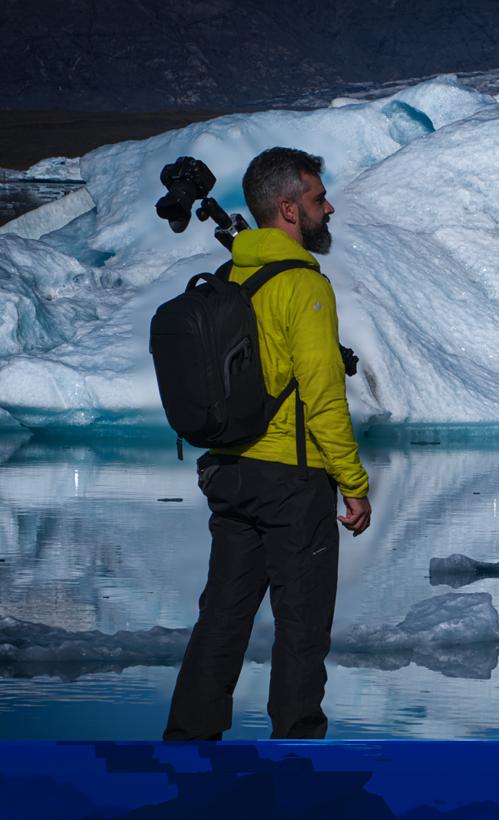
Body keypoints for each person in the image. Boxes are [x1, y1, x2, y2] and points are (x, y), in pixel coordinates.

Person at [163, 147, 371, 741]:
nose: (327, 207)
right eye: (316, 198)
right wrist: (353, 486)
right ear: (287, 208)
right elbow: (323, 396)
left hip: (229, 475)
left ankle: (186, 756)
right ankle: (297, 768)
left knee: (222, 621)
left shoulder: (232, 276)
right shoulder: (302, 285)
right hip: (292, 483)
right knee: (303, 630)